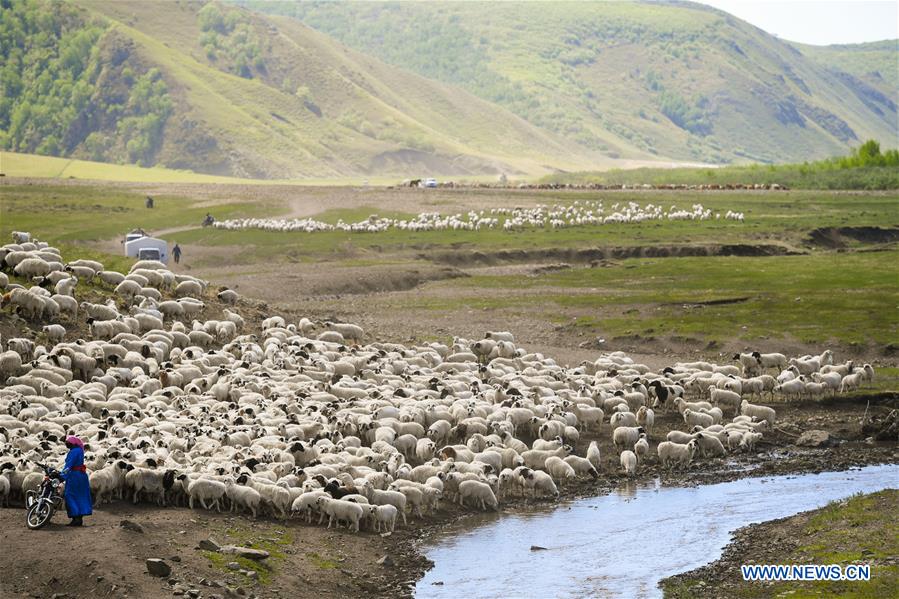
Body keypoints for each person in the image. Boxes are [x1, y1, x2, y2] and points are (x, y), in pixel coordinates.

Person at [59, 435, 92, 526]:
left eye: (68, 443)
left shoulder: (73, 452)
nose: (66, 444)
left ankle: (75, 518)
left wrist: (62, 475)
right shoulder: (79, 450)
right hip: (81, 476)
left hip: (74, 476)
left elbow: (69, 465)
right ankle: (79, 519)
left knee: (70, 495)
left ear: (73, 443)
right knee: (80, 496)